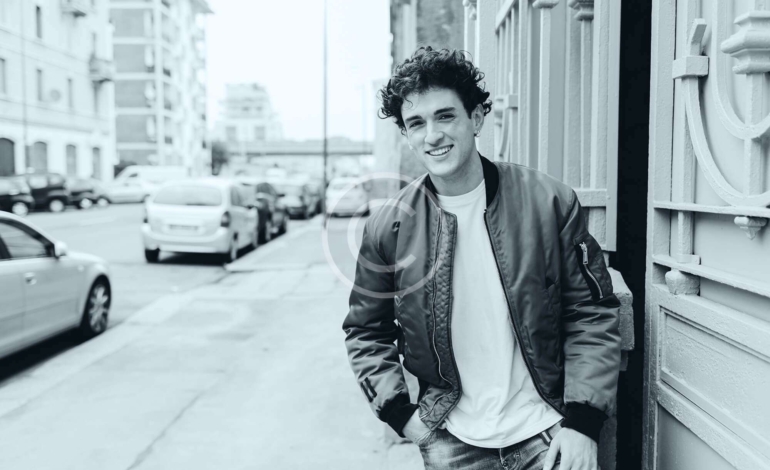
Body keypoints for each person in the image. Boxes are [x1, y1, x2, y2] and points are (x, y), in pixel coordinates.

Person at [342, 47, 621, 470]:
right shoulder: (389, 227)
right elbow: (366, 331)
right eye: (416, 123)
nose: (432, 135)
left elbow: (591, 311)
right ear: (406, 134)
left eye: (445, 116)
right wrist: (402, 416)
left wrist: (584, 424)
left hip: (548, 433)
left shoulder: (549, 202)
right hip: (451, 441)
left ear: (476, 118)